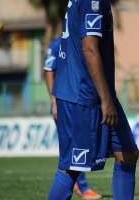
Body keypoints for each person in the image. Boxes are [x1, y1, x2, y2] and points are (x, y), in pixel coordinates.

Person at [48, 0, 139, 200]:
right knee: (71, 168)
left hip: (93, 93)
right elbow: (89, 48)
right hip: (84, 97)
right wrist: (105, 100)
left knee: (128, 153)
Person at [43, 37, 102, 200]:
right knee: (73, 148)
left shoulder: (81, 42)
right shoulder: (57, 44)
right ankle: (82, 188)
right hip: (63, 103)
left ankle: (78, 186)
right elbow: (49, 69)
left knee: (77, 146)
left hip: (78, 102)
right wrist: (53, 100)